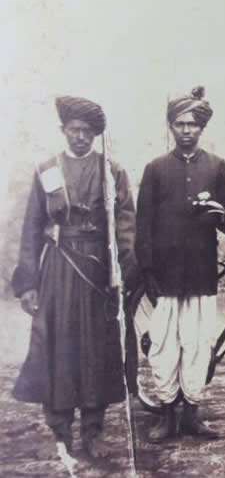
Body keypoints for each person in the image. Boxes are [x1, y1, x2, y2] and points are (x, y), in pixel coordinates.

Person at [11, 96, 139, 458]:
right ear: (63, 131)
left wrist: (126, 272)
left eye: (88, 131)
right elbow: (33, 227)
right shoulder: (48, 170)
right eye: (74, 130)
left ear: (96, 134)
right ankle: (61, 427)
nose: (80, 137)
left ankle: (93, 430)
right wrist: (29, 284)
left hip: (98, 271)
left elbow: (126, 224)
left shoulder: (112, 171)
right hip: (58, 269)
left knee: (97, 347)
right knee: (57, 345)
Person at [136, 86, 225, 442]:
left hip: (200, 272)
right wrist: (148, 271)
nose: (186, 130)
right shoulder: (155, 169)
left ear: (201, 128)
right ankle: (166, 414)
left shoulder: (216, 167)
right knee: (164, 344)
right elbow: (143, 225)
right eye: (179, 124)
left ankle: (191, 414)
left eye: (192, 124)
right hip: (165, 275)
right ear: (171, 127)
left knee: (197, 344)